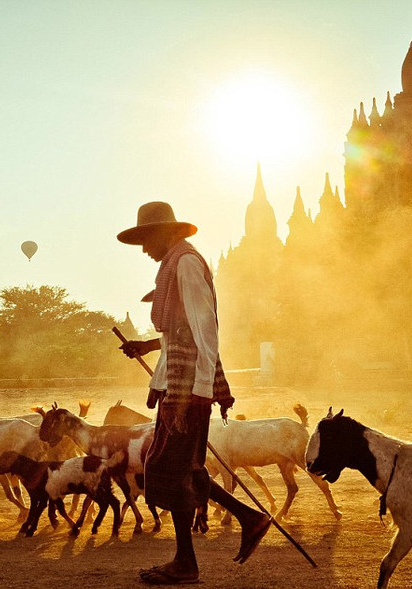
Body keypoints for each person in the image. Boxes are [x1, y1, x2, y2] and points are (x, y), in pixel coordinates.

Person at [117, 201, 271, 585]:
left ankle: (187, 562)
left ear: (168, 232)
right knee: (183, 470)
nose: (144, 249)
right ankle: (247, 519)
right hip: (180, 386)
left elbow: (204, 329)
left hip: (187, 391)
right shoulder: (174, 265)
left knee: (165, 473)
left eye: (147, 238)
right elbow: (179, 334)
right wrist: (147, 346)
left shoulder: (185, 263)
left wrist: (197, 392)